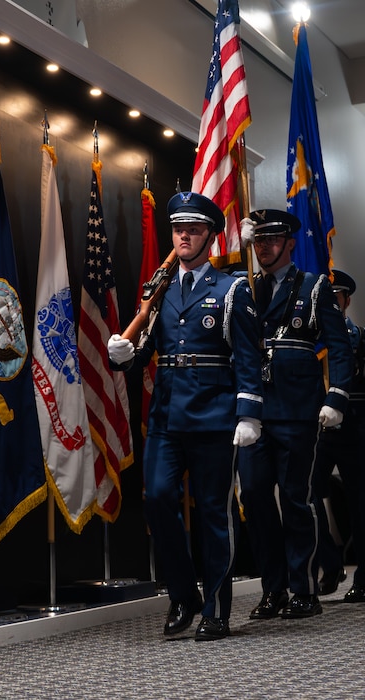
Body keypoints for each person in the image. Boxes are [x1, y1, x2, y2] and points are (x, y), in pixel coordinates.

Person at [107, 192, 264, 641]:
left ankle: (215, 608)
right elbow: (144, 353)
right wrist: (124, 355)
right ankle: (184, 594)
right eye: (178, 229)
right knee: (156, 500)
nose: (184, 236)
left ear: (209, 237)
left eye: (194, 229)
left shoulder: (231, 289)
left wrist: (248, 414)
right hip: (167, 415)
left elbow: (248, 358)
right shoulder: (158, 290)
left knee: (215, 513)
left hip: (215, 417)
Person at [237, 209, 353, 620]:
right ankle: (273, 589)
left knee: (295, 499)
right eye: (259, 241)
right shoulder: (244, 287)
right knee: (253, 496)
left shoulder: (314, 286)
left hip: (299, 410)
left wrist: (336, 397)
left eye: (273, 240)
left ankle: (303, 587)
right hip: (254, 411)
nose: (265, 247)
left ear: (289, 243)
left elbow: (339, 346)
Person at [313, 269, 365, 603]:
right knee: (306, 498)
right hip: (316, 430)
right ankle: (330, 565)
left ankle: (364, 577)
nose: (331, 303)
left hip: (355, 428)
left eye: (337, 297)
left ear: (346, 301)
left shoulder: (364, 338)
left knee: (361, 505)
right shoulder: (310, 338)